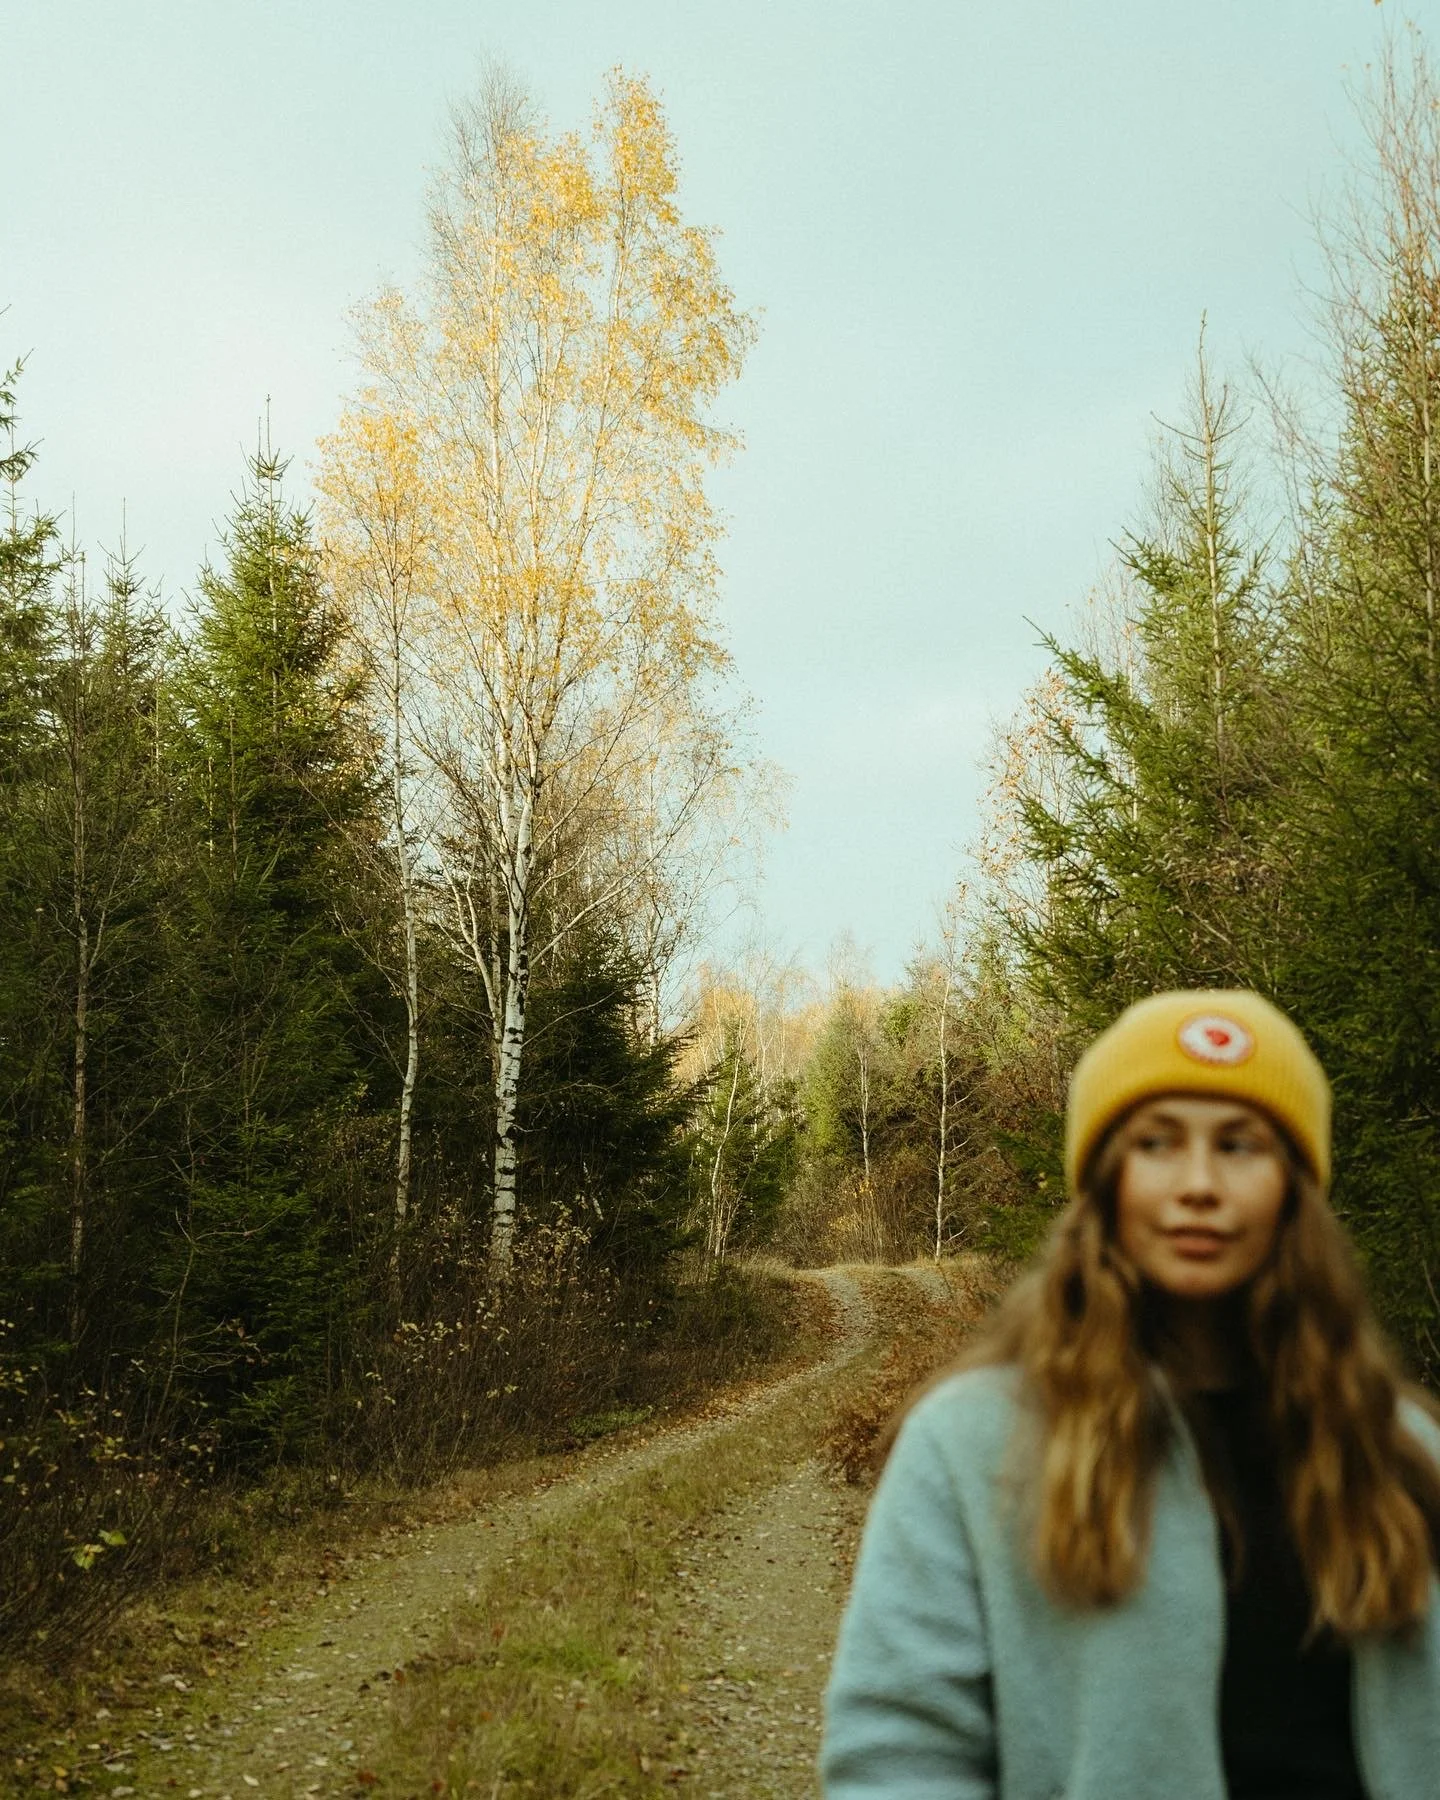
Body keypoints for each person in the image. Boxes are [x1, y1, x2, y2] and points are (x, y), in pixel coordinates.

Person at [820, 989, 1440, 1800]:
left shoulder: (1403, 1450)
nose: (1199, 1184)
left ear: (1294, 1189)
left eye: (1241, 1145)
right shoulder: (973, 1443)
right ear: (1105, 1182)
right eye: (1156, 1143)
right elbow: (899, 1750)